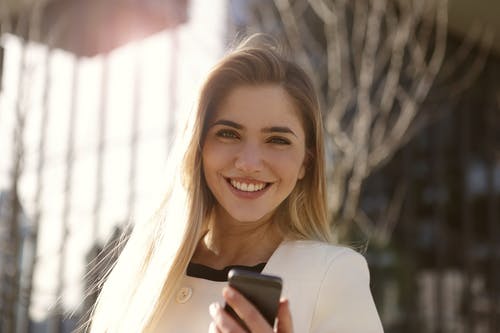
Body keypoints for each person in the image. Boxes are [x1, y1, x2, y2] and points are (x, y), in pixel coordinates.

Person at [89, 34, 384, 333]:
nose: (249, 163)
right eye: (229, 134)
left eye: (277, 140)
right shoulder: (144, 268)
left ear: (305, 164)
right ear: (199, 146)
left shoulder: (333, 274)